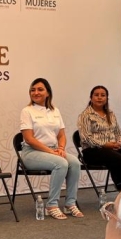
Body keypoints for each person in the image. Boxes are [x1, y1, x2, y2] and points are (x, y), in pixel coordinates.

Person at [21, 79, 83, 219]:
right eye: (33, 90)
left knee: (75, 163)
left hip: (53, 150)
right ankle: (52, 205)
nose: (36, 92)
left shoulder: (55, 111)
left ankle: (70, 203)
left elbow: (61, 135)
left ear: (48, 93)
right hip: (31, 153)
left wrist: (60, 148)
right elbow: (29, 139)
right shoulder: (27, 111)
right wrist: (51, 152)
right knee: (61, 163)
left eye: (40, 89)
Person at [76, 85, 121, 191]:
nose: (99, 97)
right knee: (120, 160)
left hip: (112, 148)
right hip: (92, 151)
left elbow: (118, 132)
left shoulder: (110, 114)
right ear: (91, 98)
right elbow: (85, 138)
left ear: (106, 98)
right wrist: (105, 145)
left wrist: (119, 142)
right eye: (96, 95)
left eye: (103, 95)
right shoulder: (85, 115)